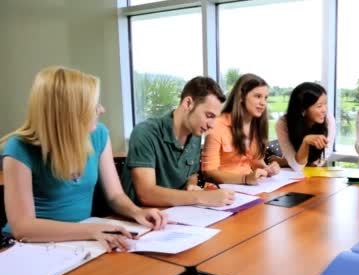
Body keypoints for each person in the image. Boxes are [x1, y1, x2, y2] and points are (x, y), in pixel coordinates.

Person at [0, 66, 167, 252]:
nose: (102, 110)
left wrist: (137, 212)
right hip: (30, 247)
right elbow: (23, 228)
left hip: (79, 242)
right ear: (70, 114)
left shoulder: (99, 135)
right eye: (94, 105)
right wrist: (90, 230)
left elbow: (115, 196)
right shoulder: (18, 148)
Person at [121, 76, 235, 207]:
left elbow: (192, 174)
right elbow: (146, 194)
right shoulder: (145, 133)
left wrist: (190, 185)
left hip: (175, 213)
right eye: (209, 116)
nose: (212, 125)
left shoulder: (195, 135)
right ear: (188, 103)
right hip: (140, 218)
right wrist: (201, 197)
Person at [201, 73, 280, 185]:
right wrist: (245, 179)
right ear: (242, 96)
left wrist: (267, 168)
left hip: (250, 188)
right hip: (224, 190)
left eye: (265, 98)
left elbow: (253, 160)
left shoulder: (256, 125)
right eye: (257, 96)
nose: (263, 103)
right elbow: (209, 172)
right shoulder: (217, 125)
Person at [275, 82, 335, 171]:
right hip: (293, 173)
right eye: (319, 106)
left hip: (315, 171)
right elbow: (297, 167)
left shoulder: (328, 119)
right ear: (303, 109)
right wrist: (306, 142)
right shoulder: (283, 124)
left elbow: (322, 158)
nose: (324, 110)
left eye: (325, 104)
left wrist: (285, 162)